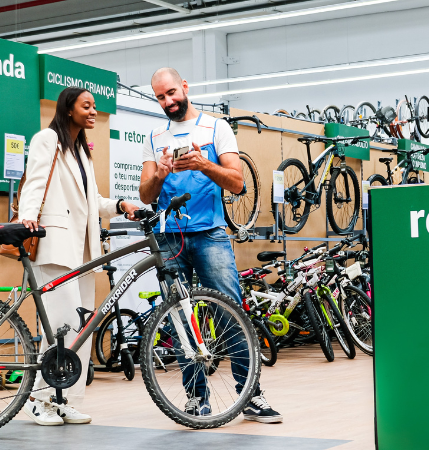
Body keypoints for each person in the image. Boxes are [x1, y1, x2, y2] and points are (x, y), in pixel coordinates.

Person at [139, 67, 282, 424]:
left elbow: (237, 184)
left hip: (211, 235)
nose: (168, 101)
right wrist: (160, 172)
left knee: (229, 312)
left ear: (185, 87)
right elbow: (145, 195)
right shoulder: (155, 135)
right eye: (160, 97)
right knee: (181, 321)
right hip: (170, 237)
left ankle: (250, 395)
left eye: (171, 92)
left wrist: (203, 163)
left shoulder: (217, 127)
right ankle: (195, 398)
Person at [18, 86, 139, 426]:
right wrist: (28, 216)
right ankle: (38, 399)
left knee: (80, 329)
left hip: (84, 253)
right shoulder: (47, 140)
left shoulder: (82, 152)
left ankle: (64, 398)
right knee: (60, 327)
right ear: (68, 108)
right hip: (55, 244)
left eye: (94, 106)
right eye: (86, 105)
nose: (92, 111)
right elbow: (35, 182)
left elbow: (92, 202)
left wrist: (118, 205)